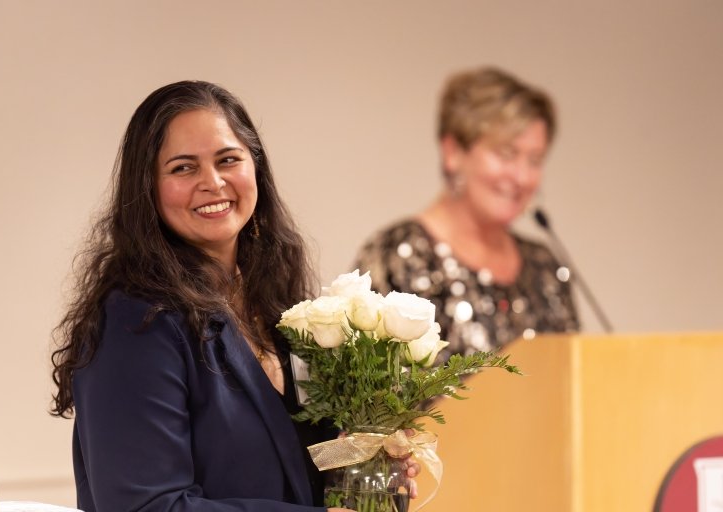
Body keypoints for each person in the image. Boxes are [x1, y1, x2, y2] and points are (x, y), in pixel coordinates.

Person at [50, 81, 355, 512]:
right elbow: (146, 506)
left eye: (228, 159)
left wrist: (366, 458)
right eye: (183, 168)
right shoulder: (135, 322)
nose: (212, 182)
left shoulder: (277, 305)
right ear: (147, 189)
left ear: (256, 169)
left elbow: (293, 457)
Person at [353, 67, 579, 361]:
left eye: (535, 160)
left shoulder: (545, 267)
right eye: (507, 154)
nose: (522, 177)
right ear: (453, 152)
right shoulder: (399, 256)